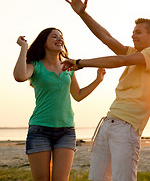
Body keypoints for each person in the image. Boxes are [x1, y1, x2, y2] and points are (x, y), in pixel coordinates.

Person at [63, 0, 150, 181]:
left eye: (138, 32)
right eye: (133, 32)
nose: (133, 35)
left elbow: (118, 61)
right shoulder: (131, 52)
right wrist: (83, 14)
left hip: (127, 128)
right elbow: (106, 37)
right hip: (108, 122)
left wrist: (80, 63)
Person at [13, 28, 105, 181]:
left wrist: (98, 80)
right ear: (44, 43)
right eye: (54, 36)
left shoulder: (68, 67)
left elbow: (78, 95)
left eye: (61, 37)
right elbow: (20, 76)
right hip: (39, 130)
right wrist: (24, 48)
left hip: (66, 131)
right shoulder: (35, 66)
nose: (59, 39)